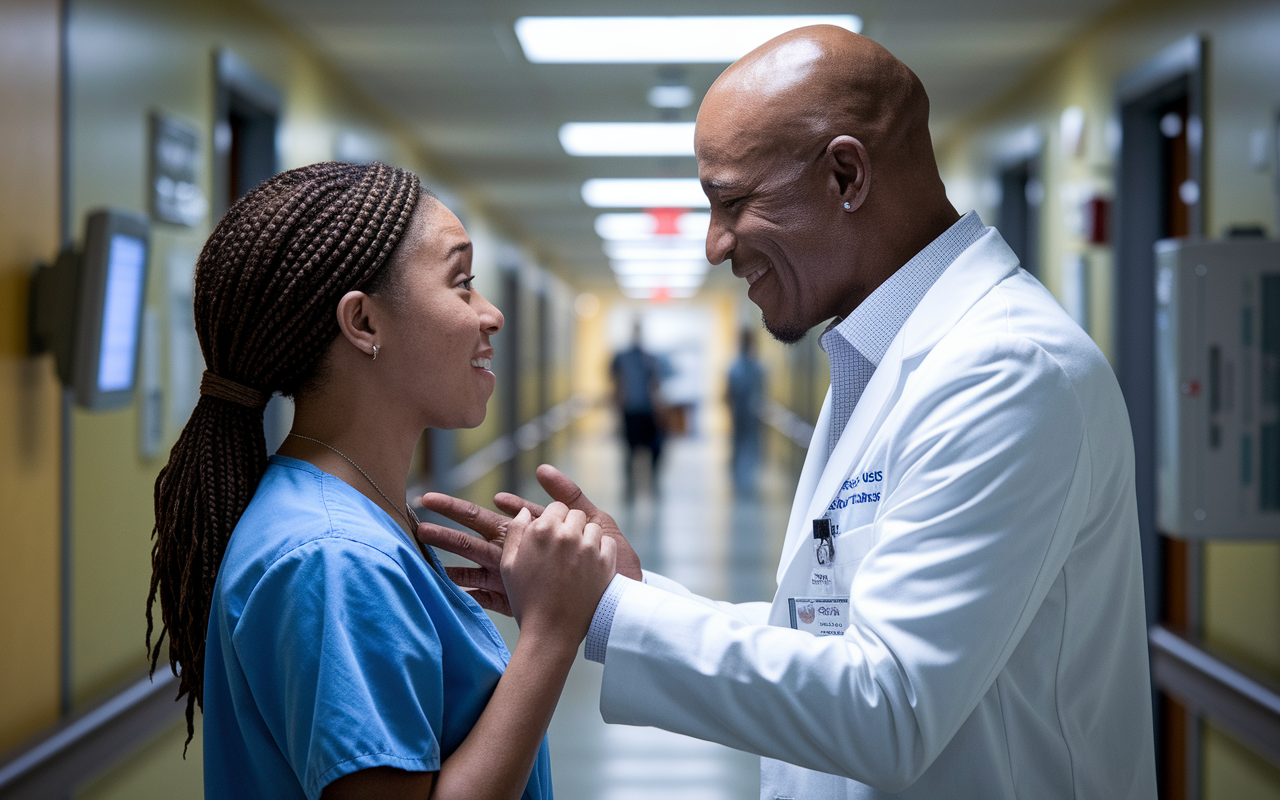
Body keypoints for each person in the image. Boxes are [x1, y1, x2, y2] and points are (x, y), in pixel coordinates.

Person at [421, 26, 1157, 800]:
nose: (713, 245)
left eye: (732, 201)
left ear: (846, 174)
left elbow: (891, 705)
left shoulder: (1006, 371)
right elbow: (827, 634)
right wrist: (631, 596)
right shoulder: (882, 356)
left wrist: (603, 614)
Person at [146, 162, 615, 800]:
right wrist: (552, 631)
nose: (492, 314)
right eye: (463, 284)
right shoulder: (332, 558)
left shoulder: (351, 516)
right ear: (363, 324)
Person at [610, 320, 664, 499]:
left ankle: (652, 481)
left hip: (647, 411)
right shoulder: (621, 357)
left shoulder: (649, 358)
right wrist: (617, 408)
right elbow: (617, 382)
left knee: (654, 448)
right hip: (630, 411)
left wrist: (658, 409)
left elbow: (655, 385)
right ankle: (630, 486)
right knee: (630, 450)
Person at [726, 328, 766, 491]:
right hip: (739, 413)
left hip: (751, 414)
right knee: (739, 444)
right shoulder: (736, 367)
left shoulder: (757, 368)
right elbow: (729, 393)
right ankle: (738, 476)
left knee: (750, 444)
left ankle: (746, 476)